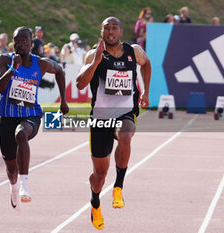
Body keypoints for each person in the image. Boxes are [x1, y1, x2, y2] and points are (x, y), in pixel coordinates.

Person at [76, 17, 151, 230]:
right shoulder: (93, 54)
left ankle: (118, 186)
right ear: (101, 32)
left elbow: (146, 64)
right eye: (106, 28)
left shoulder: (133, 51)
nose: (110, 31)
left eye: (114, 28)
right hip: (100, 118)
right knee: (99, 175)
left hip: (125, 112)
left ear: (121, 31)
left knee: (126, 135)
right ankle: (95, 202)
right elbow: (80, 84)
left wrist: (145, 91)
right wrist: (96, 62)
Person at [0, 26, 68, 208]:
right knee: (11, 168)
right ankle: (15, 185)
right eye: (17, 41)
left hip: (31, 114)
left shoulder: (41, 64)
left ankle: (25, 186)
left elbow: (60, 71)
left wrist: (63, 101)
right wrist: (12, 69)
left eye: (24, 40)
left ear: (31, 44)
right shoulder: (4, 60)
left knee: (21, 134)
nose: (20, 44)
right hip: (7, 117)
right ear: (12, 43)